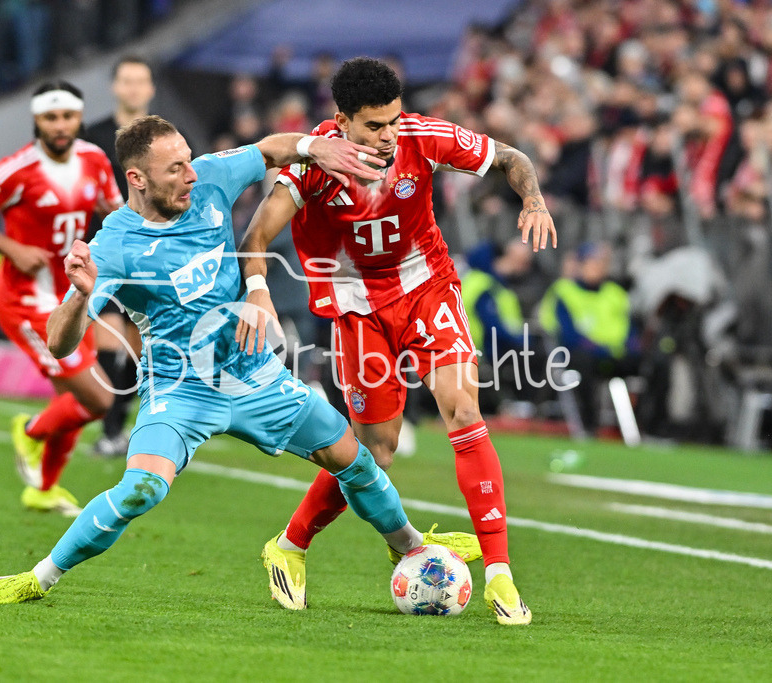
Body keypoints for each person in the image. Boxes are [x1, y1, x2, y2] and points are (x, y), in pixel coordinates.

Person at [0, 115, 480, 604]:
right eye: (175, 169)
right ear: (137, 179)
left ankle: (411, 547)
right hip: (180, 389)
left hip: (255, 375)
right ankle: (37, 579)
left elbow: (268, 149)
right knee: (141, 489)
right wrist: (80, 298)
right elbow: (60, 342)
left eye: (189, 160)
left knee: (358, 462)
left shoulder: (210, 178)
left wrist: (313, 147)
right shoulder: (115, 246)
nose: (191, 174)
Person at [237, 57, 556, 625]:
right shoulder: (314, 161)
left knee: (463, 410)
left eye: (393, 121)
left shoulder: (421, 137)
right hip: (356, 305)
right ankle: (288, 546)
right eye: (373, 127)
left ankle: (501, 575)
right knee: (374, 452)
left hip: (425, 287)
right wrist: (258, 290)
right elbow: (258, 230)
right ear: (341, 122)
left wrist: (532, 199)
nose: (388, 136)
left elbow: (512, 158)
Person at [0, 81, 124, 516]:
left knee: (79, 400)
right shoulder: (17, 169)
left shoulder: (94, 159)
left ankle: (43, 488)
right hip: (26, 302)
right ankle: (29, 432)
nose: (60, 125)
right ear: (37, 121)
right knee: (98, 399)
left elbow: (114, 211)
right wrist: (10, 248)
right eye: (51, 117)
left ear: (79, 118)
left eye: (67, 116)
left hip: (72, 297)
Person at [80, 55, 155, 457]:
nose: (133, 88)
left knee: (140, 349)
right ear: (115, 86)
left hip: (150, 256)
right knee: (109, 342)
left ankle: (121, 427)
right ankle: (110, 430)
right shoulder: (92, 136)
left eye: (140, 80)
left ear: (150, 89)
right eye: (126, 80)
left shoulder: (163, 138)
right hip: (105, 253)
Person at [538, 242, 639, 433]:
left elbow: (630, 329)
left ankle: (646, 427)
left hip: (616, 354)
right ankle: (589, 425)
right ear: (581, 265)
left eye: (601, 263)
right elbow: (568, 334)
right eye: (592, 263)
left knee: (653, 363)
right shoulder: (564, 291)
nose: (597, 268)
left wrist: (629, 347)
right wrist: (599, 348)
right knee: (582, 364)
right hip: (583, 354)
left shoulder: (615, 293)